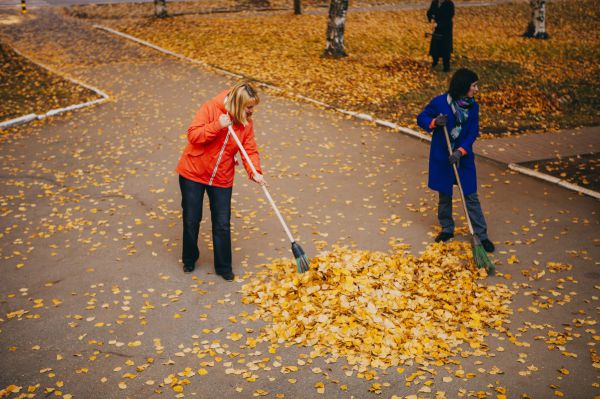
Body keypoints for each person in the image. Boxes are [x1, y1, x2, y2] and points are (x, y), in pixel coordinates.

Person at [176, 82, 266, 280]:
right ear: (237, 103)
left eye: (253, 106)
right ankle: (189, 258)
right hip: (193, 172)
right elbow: (193, 135)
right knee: (192, 219)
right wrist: (218, 125)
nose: (252, 111)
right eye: (249, 107)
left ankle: (224, 267)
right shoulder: (211, 108)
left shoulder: (246, 122)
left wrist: (255, 172)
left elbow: (249, 149)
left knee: (222, 223)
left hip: (222, 176)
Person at [416, 68, 495, 253]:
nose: (476, 89)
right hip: (443, 156)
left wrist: (461, 151)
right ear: (463, 86)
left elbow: (473, 131)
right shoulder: (440, 102)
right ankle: (447, 229)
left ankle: (481, 236)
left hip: (462, 158)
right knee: (445, 195)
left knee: (471, 196)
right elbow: (422, 117)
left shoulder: (473, 106)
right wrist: (435, 122)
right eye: (474, 85)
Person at [427, 0, 454, 72]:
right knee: (435, 46)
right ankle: (434, 61)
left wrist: (438, 24)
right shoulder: (434, 2)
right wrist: (431, 19)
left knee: (445, 48)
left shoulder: (449, 4)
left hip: (446, 29)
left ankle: (446, 66)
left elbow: (449, 17)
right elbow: (429, 12)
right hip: (436, 29)